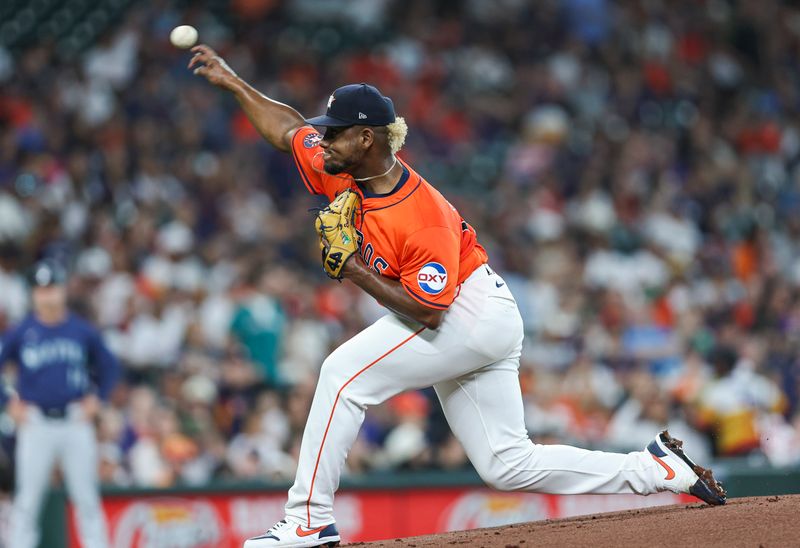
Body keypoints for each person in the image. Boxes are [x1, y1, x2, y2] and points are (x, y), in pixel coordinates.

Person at [189, 45, 726, 548]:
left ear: (367, 139)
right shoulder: (341, 166)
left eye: (335, 133)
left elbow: (429, 309)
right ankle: (656, 470)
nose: (322, 141)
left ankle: (308, 521)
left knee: (341, 376)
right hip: (473, 314)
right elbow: (289, 131)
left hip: (466, 312)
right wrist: (234, 82)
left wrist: (353, 270)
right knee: (506, 464)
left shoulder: (419, 216)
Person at [0, 259, 120, 548]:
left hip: (75, 420)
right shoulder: (21, 331)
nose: (47, 294)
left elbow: (110, 366)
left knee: (86, 499)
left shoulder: (81, 330)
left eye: (52, 287)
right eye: (41, 289)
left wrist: (99, 398)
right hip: (36, 422)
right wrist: (7, 403)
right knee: (27, 501)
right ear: (33, 294)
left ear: (63, 290)